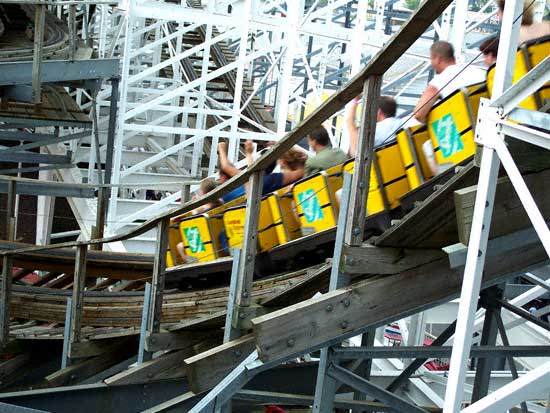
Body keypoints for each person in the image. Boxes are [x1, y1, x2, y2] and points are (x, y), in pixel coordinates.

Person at [414, 41, 486, 124]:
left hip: (463, 129)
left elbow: (419, 114)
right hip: (486, 125)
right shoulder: (478, 72)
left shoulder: (438, 82)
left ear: (438, 59)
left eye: (431, 59)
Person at [217, 140, 306, 202]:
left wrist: (222, 148)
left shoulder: (268, 180)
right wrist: (282, 149)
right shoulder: (275, 180)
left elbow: (226, 167)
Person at [176, 178, 223, 263]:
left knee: (180, 246)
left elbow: (195, 225)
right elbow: (207, 206)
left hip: (205, 242)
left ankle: (190, 262)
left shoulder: (204, 213)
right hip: (217, 241)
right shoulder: (221, 204)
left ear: (203, 193)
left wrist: (194, 210)